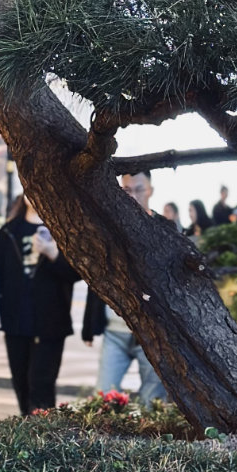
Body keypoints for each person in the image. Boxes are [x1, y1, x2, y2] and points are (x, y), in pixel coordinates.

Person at [0, 195, 79, 415]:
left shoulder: (64, 229)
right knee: (21, 383)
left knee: (42, 384)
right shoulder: (9, 231)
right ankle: (28, 435)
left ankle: (43, 437)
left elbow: (77, 273)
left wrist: (52, 253)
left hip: (51, 322)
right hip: (15, 319)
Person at [82, 171, 165, 403]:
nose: (134, 196)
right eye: (127, 190)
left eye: (139, 189)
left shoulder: (163, 229)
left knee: (153, 400)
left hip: (151, 331)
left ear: (150, 190)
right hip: (115, 330)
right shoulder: (107, 229)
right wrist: (89, 325)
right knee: (104, 395)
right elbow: (96, 279)